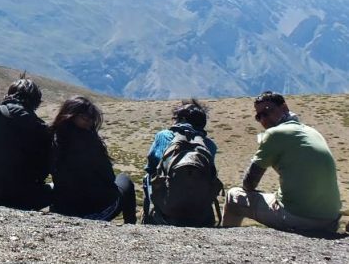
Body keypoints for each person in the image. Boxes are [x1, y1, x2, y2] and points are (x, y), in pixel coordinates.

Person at [221, 91, 341, 232]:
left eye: (267, 111)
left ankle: (225, 241)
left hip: (298, 218)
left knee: (233, 196)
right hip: (331, 219)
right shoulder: (312, 132)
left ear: (284, 107)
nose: (264, 119)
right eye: (259, 116)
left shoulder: (274, 133)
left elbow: (249, 183)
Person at [0, 77, 52, 210]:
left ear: (9, 94)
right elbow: (44, 168)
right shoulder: (41, 128)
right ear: (36, 102)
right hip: (20, 198)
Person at [50, 96, 136, 223]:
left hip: (63, 210)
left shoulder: (52, 137)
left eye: (91, 118)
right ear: (72, 115)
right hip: (96, 212)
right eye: (86, 117)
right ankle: (131, 225)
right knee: (125, 180)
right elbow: (110, 178)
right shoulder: (89, 141)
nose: (90, 122)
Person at [142, 98, 219, 226]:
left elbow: (151, 166)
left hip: (166, 211)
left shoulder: (163, 136)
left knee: (148, 176)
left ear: (180, 119)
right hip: (200, 214)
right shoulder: (210, 145)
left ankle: (149, 217)